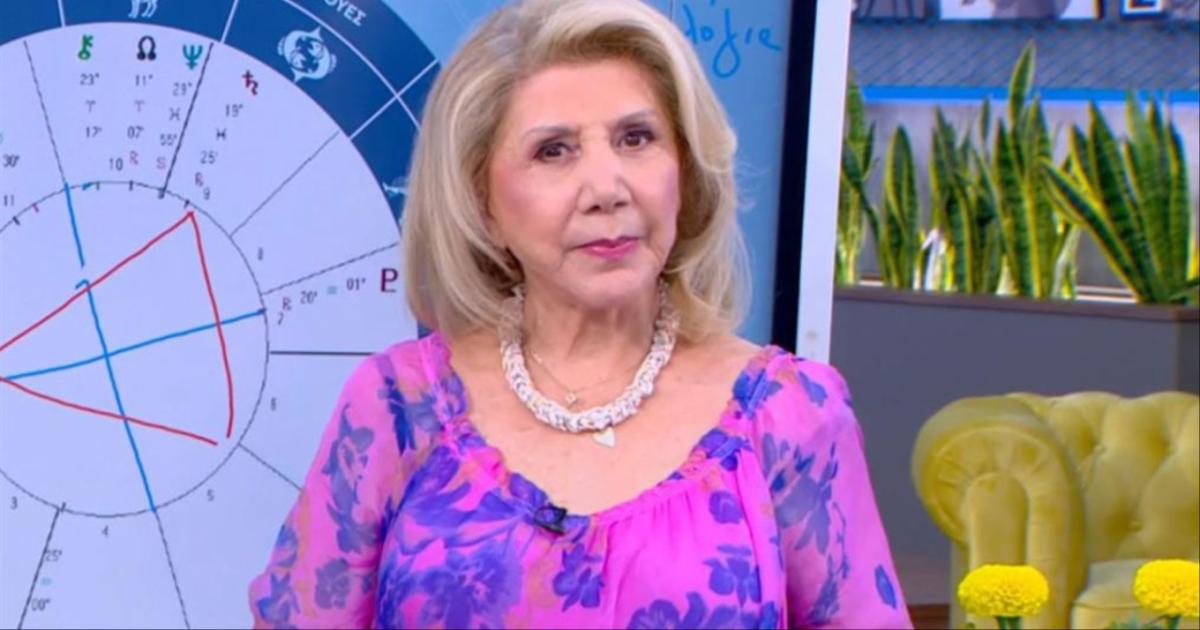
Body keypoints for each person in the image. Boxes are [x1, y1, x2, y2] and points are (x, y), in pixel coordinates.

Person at [248, 0, 912, 627]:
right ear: (482, 203)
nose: (606, 188)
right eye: (554, 150)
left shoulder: (790, 414)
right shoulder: (396, 406)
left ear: (684, 173)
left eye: (636, 138)